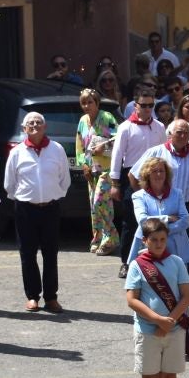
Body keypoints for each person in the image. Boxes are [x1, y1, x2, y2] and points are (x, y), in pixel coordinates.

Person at [126, 216, 189, 378]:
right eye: (153, 240)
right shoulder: (137, 265)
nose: (158, 244)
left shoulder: (176, 262)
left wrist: (170, 320)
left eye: (162, 239)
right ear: (144, 241)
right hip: (147, 331)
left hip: (173, 330)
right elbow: (132, 300)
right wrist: (156, 319)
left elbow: (186, 295)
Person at [3, 111, 72, 313]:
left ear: (45, 127)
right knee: (28, 254)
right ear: (24, 129)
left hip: (50, 208)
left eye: (39, 122)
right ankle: (32, 296)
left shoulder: (56, 149)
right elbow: (10, 183)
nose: (35, 125)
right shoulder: (17, 152)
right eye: (30, 123)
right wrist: (25, 197)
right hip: (25, 209)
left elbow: (64, 179)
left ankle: (51, 297)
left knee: (51, 253)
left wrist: (54, 194)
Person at [109, 86, 167, 261]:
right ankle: (127, 261)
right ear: (136, 106)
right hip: (131, 176)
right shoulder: (126, 127)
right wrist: (114, 183)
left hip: (155, 175)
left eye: (150, 105)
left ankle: (154, 256)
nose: (147, 109)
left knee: (155, 218)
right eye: (144, 105)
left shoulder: (159, 127)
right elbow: (117, 154)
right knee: (130, 220)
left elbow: (164, 153)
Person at [75, 88, 121, 256]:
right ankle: (98, 238)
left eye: (90, 102)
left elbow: (118, 137)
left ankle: (111, 238)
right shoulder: (82, 120)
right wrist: (83, 164)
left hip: (106, 168)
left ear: (97, 103)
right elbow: (80, 144)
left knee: (100, 202)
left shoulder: (106, 117)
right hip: (91, 169)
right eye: (83, 103)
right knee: (94, 208)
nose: (87, 106)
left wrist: (105, 145)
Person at [128, 156, 189, 269]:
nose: (158, 174)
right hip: (148, 246)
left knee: (176, 282)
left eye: (161, 171)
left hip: (175, 247)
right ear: (147, 174)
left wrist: (159, 231)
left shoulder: (177, 194)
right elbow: (143, 220)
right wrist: (168, 218)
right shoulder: (138, 196)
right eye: (154, 171)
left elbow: (185, 221)